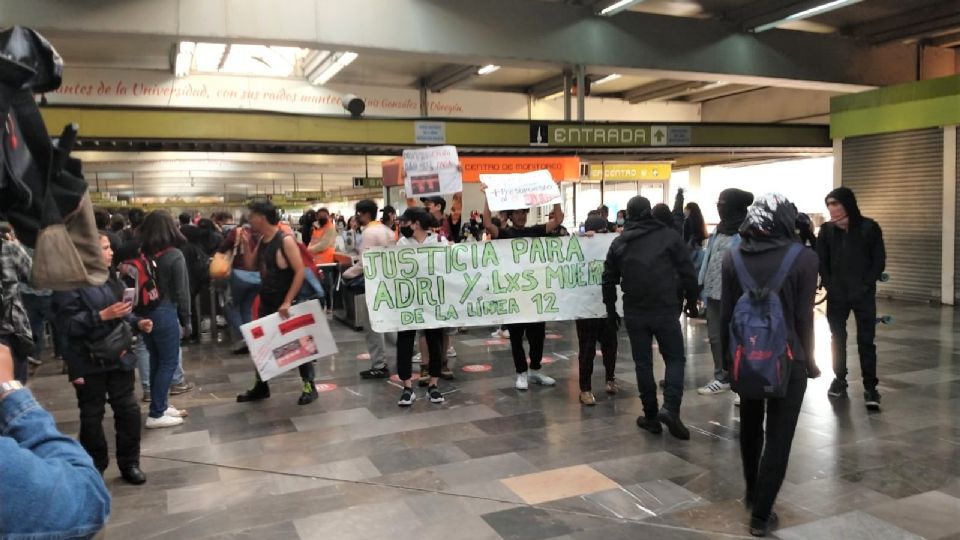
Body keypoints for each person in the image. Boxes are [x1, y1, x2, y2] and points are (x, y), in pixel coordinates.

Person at [720, 194, 820, 537]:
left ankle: (752, 491)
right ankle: (761, 516)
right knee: (779, 436)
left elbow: (727, 316)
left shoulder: (732, 257)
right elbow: (805, 317)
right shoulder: (805, 258)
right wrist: (812, 361)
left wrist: (726, 365)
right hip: (790, 359)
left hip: (747, 357)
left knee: (750, 423)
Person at [54, 232, 153, 485]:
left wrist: (137, 321)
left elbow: (120, 313)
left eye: (110, 247)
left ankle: (130, 462)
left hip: (117, 354)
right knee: (91, 416)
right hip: (87, 359)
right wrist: (101, 316)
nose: (111, 252)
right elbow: (65, 326)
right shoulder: (68, 282)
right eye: (105, 248)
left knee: (128, 410)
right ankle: (95, 466)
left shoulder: (111, 278)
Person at [602, 196, 698, 440]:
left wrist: (611, 310)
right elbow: (688, 271)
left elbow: (608, 279)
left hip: (635, 311)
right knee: (675, 358)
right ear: (650, 213)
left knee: (643, 363)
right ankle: (671, 408)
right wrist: (691, 301)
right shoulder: (669, 236)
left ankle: (651, 417)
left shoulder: (620, 242)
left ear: (629, 215)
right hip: (665, 307)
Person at [0, 342, 112, 538]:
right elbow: (85, 501)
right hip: (86, 359)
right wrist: (10, 392)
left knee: (123, 409)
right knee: (92, 413)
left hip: (113, 356)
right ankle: (100, 464)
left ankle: (125, 464)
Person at [236, 200, 319, 405]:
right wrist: (246, 244)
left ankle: (310, 386)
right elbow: (251, 266)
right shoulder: (263, 239)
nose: (249, 220)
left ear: (262, 218)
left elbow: (299, 271)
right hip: (267, 300)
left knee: (300, 343)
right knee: (260, 346)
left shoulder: (285, 240)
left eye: (252, 215)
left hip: (286, 302)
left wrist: (288, 301)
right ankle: (261, 386)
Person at [482, 190, 564, 391]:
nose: (521, 216)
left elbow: (558, 219)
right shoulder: (505, 233)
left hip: (534, 295)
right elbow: (486, 223)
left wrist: (554, 196)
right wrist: (487, 196)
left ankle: (535, 370)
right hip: (514, 295)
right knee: (517, 337)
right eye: (517, 212)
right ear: (510, 215)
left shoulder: (536, 231)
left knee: (538, 337)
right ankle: (521, 373)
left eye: (524, 212)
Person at [816, 187, 886, 410]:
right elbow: (821, 262)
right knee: (837, 338)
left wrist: (865, 286)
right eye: (829, 205)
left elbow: (878, 261)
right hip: (837, 296)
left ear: (848, 204)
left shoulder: (869, 228)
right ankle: (839, 379)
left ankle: (870, 387)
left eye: (836, 204)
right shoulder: (826, 231)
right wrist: (830, 285)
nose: (832, 209)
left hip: (863, 295)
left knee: (866, 341)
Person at [697, 188, 754, 397]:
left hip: (737, 295)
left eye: (723, 204)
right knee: (716, 337)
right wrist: (700, 283)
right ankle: (722, 377)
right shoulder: (720, 229)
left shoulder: (748, 231)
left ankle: (742, 382)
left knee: (740, 337)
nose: (719, 208)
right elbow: (708, 257)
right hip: (713, 292)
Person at [138, 210, 192, 429]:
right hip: (165, 311)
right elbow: (182, 292)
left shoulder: (142, 253)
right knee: (169, 361)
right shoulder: (174, 255)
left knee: (156, 360)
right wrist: (187, 320)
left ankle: (161, 404)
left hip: (145, 313)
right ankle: (156, 413)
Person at [394, 207, 446, 406]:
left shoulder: (439, 243)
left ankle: (433, 384)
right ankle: (407, 387)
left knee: (435, 342)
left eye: (405, 222)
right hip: (409, 302)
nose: (402, 225)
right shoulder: (402, 243)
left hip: (432, 301)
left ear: (415, 223)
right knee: (405, 342)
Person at [346, 200, 397, 379]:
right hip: (389, 282)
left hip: (374, 283)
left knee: (372, 325)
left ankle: (379, 364)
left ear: (364, 214)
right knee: (388, 321)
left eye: (358, 214)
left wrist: (347, 274)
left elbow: (364, 262)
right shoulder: (387, 230)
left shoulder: (369, 232)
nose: (356, 217)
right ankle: (409, 350)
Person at [576, 215, 619, 406]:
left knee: (610, 346)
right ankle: (585, 389)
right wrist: (582, 238)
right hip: (586, 307)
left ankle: (610, 378)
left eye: (604, 232)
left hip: (606, 306)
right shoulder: (580, 246)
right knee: (587, 350)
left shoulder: (612, 246)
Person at [218, 219, 261, 354]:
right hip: (256, 277)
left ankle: (244, 339)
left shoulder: (238, 232)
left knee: (232, 307)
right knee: (246, 308)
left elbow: (222, 248)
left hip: (239, 275)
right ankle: (250, 339)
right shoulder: (260, 233)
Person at [0, 225, 34, 383]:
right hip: (11, 325)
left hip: (11, 327)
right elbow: (33, 277)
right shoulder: (10, 248)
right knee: (16, 383)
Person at [308, 207, 338, 313]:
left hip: (326, 262)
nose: (322, 217)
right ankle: (319, 309)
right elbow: (312, 241)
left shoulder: (330, 227)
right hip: (315, 262)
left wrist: (308, 250)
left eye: (324, 215)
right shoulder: (317, 228)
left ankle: (328, 307)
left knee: (326, 286)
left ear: (328, 216)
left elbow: (324, 244)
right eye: (320, 215)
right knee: (318, 287)